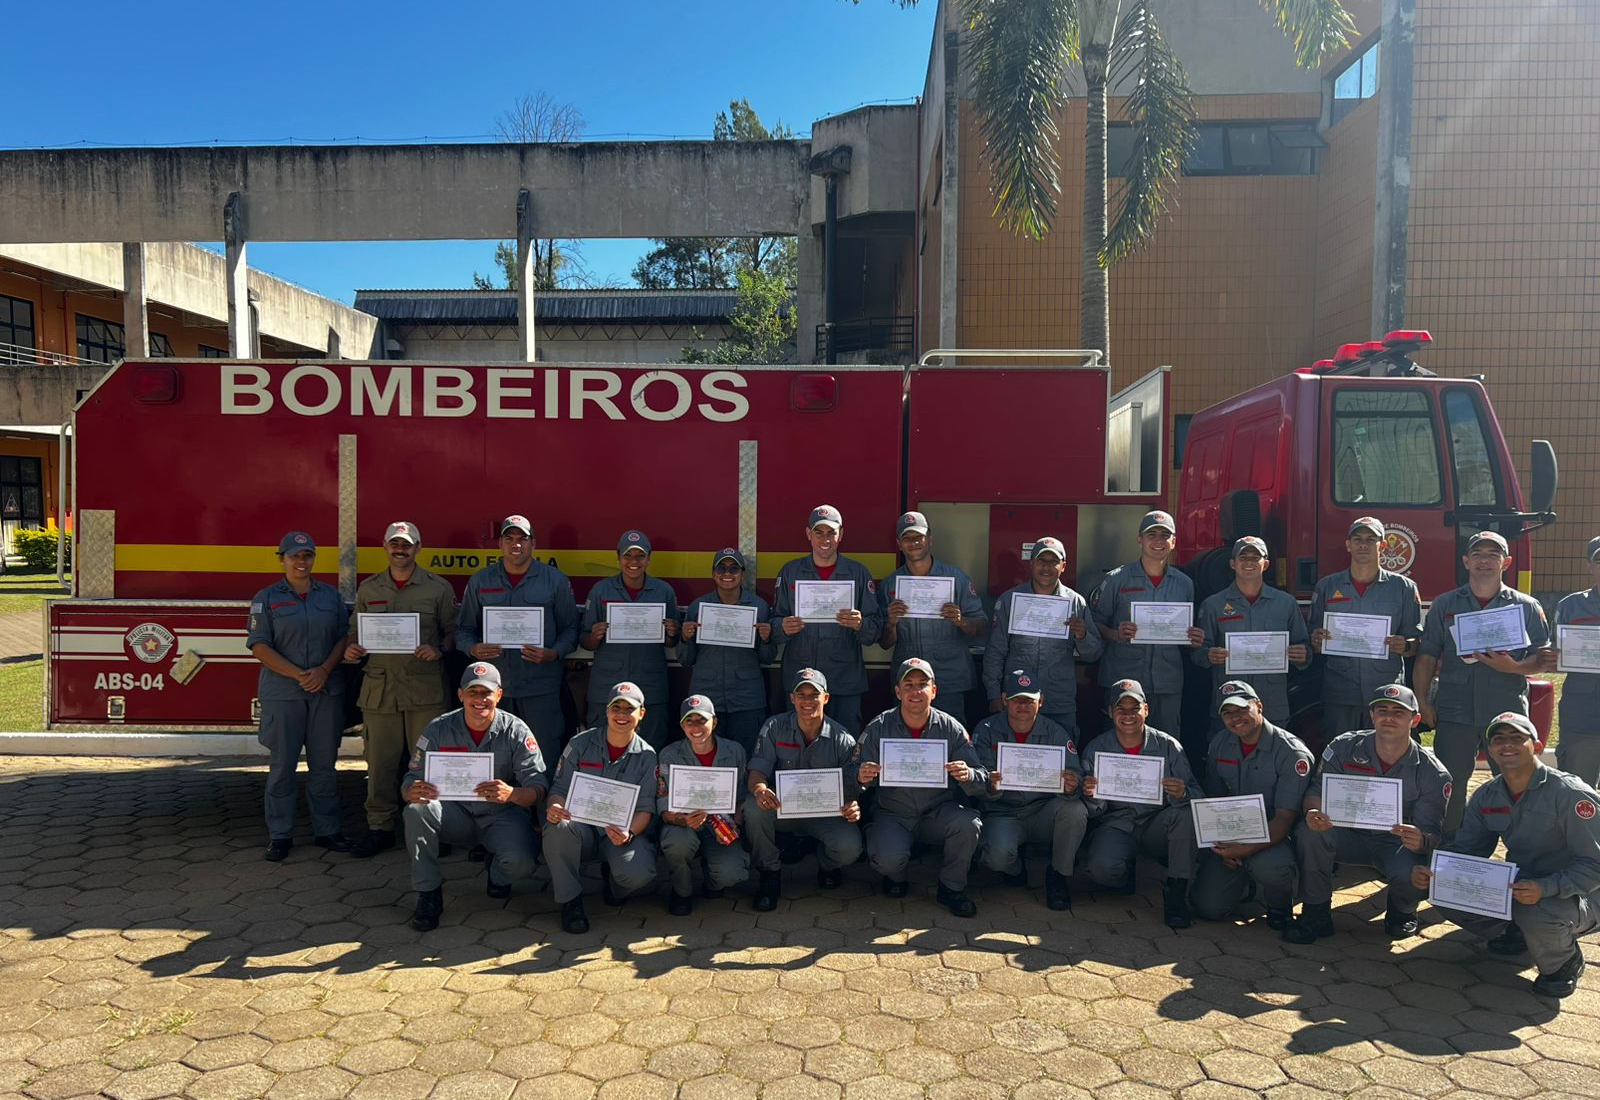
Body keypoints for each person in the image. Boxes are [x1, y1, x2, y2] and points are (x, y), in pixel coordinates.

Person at [1412, 712, 1600, 999]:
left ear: (1536, 747)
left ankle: (1563, 962)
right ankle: (1515, 932)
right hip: (1526, 884)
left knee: (1537, 911)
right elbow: (1467, 849)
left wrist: (1545, 888)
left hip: (1584, 893)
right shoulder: (1488, 795)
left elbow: (1595, 865)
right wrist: (1437, 872)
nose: (1506, 745)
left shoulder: (1570, 794)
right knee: (1446, 893)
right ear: (1489, 750)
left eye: (1517, 738)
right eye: (1498, 740)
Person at [1283, 684, 1448, 943]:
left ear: (1415, 720)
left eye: (1399, 712)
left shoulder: (1432, 773)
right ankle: (1316, 913)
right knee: (1309, 832)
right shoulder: (1344, 747)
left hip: (1394, 844)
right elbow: (1317, 789)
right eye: (1382, 710)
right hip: (1345, 834)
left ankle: (1401, 911)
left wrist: (1422, 839)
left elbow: (1434, 834)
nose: (1389, 717)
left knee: (1414, 873)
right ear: (1371, 715)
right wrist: (1313, 810)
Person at [1415, 530, 1551, 833]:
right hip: (1455, 709)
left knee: (1515, 781)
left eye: (1493, 555)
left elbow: (1542, 657)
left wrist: (1513, 666)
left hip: (1506, 709)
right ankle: (1449, 846)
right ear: (1466, 560)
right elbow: (1426, 655)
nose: (1484, 561)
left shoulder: (1526, 606)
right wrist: (1423, 701)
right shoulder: (1445, 604)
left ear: (1507, 562)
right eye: (1477, 554)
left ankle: (1522, 849)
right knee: (1451, 783)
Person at [399, 663, 547, 931]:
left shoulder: (516, 730)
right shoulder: (438, 728)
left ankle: (498, 874)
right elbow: (411, 777)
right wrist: (411, 791)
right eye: (473, 692)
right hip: (454, 814)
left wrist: (513, 793)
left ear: (499, 695)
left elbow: (538, 786)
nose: (480, 700)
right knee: (416, 810)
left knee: (521, 864)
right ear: (460, 694)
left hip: (500, 815)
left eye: (486, 693)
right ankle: (428, 892)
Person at [344, 521, 459, 858]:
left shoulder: (437, 588)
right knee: (380, 764)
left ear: (418, 548)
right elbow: (354, 630)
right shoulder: (369, 589)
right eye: (394, 544)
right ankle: (380, 827)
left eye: (407, 545)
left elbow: (453, 632)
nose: (400, 550)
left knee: (429, 763)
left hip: (424, 688)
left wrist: (440, 649)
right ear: (385, 547)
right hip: (380, 690)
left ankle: (435, 826)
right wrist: (353, 648)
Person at [246, 531, 351, 861]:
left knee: (324, 766)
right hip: (284, 694)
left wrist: (323, 670)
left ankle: (327, 831)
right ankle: (280, 835)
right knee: (282, 767)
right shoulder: (266, 599)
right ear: (282, 559)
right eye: (294, 555)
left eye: (307, 555)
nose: (301, 561)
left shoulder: (330, 597)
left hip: (325, 690)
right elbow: (259, 646)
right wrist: (299, 675)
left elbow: (343, 637)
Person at [856, 658, 986, 916]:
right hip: (893, 813)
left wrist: (967, 774)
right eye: (909, 685)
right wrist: (862, 776)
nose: (916, 692)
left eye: (923, 685)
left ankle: (951, 887)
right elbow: (853, 775)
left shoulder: (951, 728)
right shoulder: (878, 727)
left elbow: (981, 778)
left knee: (968, 824)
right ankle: (896, 875)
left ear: (934, 691)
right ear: (898, 692)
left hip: (938, 812)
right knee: (887, 858)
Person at [457, 514, 580, 768]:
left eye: (522, 539)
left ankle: (543, 809)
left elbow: (571, 629)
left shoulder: (554, 581)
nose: (516, 544)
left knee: (542, 757)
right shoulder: (481, 581)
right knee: (496, 759)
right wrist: (473, 648)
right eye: (509, 538)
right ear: (500, 544)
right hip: (493, 690)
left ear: (533, 544)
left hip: (541, 688)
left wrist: (554, 653)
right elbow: (462, 630)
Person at [1190, 681, 1314, 929]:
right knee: (1208, 908)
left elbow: (1283, 820)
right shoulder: (1220, 743)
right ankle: (1244, 882)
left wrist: (1242, 850)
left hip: (1275, 837)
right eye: (1227, 713)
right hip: (1233, 831)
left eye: (1241, 710)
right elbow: (1214, 802)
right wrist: (1224, 847)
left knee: (1272, 867)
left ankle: (1281, 903)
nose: (1235, 718)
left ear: (1259, 706)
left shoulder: (1292, 753)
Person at [1081, 679, 1199, 928]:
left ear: (1146, 710)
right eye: (1120, 709)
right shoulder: (1096, 749)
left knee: (1186, 815)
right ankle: (1124, 873)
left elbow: (1198, 796)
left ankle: (1176, 891)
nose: (1128, 715)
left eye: (1134, 708)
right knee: (1101, 870)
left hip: (1157, 822)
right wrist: (1092, 795)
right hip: (1117, 823)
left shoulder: (1168, 746)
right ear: (1110, 712)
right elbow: (1092, 811)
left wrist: (1183, 793)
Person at [544, 682, 660, 934]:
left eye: (629, 709)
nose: (621, 714)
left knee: (639, 873)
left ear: (641, 714)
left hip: (620, 834)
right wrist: (555, 807)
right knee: (558, 827)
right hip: (581, 829)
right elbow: (559, 790)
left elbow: (646, 809)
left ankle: (614, 885)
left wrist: (629, 833)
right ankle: (570, 901)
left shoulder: (648, 756)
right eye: (615, 707)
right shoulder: (579, 744)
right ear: (606, 711)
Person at [745, 669, 864, 912]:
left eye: (814, 695)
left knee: (850, 847)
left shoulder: (843, 738)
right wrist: (759, 789)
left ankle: (827, 865)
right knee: (752, 809)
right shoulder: (774, 726)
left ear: (826, 698)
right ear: (792, 698)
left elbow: (852, 785)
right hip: (782, 808)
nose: (807, 701)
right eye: (801, 695)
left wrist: (852, 804)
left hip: (824, 814)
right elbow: (757, 769)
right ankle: (769, 873)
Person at [973, 668, 1087, 911]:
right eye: (1016, 699)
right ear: (1005, 700)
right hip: (1002, 811)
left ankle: (1058, 875)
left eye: (1029, 700)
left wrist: (1071, 785)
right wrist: (989, 784)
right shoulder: (986, 729)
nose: (1023, 705)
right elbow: (975, 777)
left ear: (1041, 701)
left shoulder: (1056, 732)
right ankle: (1015, 869)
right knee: (997, 858)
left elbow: (1075, 772)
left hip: (1043, 810)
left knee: (1075, 810)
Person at [1092, 511, 1205, 736]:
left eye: (1165, 535)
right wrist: (1115, 634)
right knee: (1118, 743)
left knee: (1166, 742)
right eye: (1151, 534)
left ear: (1173, 542)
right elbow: (1094, 623)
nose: (1158, 540)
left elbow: (1184, 632)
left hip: (1167, 680)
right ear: (1139, 539)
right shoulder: (1117, 579)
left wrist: (1193, 638)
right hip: (1124, 679)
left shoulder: (1184, 584)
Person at [1308, 517, 1422, 739]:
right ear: (1348, 544)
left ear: (1383, 545)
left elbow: (1415, 642)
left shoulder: (1404, 588)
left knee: (1386, 753)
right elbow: (1312, 637)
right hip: (1340, 692)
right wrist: (1317, 641)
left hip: (1386, 694)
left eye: (1371, 539)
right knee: (1341, 754)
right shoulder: (1327, 586)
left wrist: (1405, 645)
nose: (1363, 544)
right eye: (1357, 539)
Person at [773, 505, 883, 734]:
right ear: (808, 534)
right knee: (797, 747)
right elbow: (771, 625)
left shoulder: (859, 574)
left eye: (831, 533)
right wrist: (782, 627)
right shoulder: (790, 572)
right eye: (819, 532)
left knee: (845, 747)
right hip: (801, 682)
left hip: (844, 681)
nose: (825, 539)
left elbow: (875, 631)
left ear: (840, 535)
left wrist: (861, 624)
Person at [983, 536, 1103, 742]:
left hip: (1058, 702)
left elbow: (1094, 654)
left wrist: (1082, 635)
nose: (1046, 567)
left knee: (1062, 762)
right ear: (1031, 564)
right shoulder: (1010, 600)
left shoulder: (1076, 603)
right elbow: (995, 652)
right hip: (1017, 699)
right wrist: (994, 694)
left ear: (1063, 566)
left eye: (1053, 561)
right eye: (1041, 561)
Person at [879, 511, 987, 721]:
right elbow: (884, 643)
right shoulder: (891, 584)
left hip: (949, 678)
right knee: (909, 741)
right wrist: (891, 624)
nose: (914, 543)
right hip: (908, 682)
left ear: (930, 539)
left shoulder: (956, 578)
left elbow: (982, 626)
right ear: (899, 544)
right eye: (907, 538)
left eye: (919, 537)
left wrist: (961, 621)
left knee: (951, 742)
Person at [1194, 536, 1312, 728]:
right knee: (1227, 757)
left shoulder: (1286, 603)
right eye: (1243, 558)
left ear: (1265, 564)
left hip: (1272, 705)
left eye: (1255, 558)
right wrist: (1209, 655)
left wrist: (1302, 654)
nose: (1249, 562)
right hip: (1229, 705)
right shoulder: (1213, 605)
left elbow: (1304, 646)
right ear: (1233, 563)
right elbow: (1197, 654)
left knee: (1274, 757)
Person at [580, 530, 683, 750]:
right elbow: (584, 641)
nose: (633, 562)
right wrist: (594, 636)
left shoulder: (663, 592)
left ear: (649, 558)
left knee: (651, 748)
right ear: (618, 558)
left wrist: (673, 632)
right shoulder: (601, 591)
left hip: (650, 686)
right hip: (606, 686)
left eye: (640, 556)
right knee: (599, 749)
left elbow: (671, 643)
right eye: (628, 556)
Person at [656, 696, 751, 915]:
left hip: (720, 824)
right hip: (683, 824)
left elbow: (742, 795)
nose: (696, 727)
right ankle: (682, 891)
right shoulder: (669, 755)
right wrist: (681, 819)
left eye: (702, 720)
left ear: (714, 722)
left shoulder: (734, 751)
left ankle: (712, 882)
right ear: (682, 725)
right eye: (690, 721)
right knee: (677, 843)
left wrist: (734, 826)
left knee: (731, 873)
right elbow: (663, 802)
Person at [679, 548, 776, 755]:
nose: (727, 573)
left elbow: (767, 658)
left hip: (747, 699)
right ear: (713, 574)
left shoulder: (759, 607)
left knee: (748, 758)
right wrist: (685, 638)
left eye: (734, 568)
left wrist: (767, 639)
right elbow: (685, 660)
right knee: (709, 760)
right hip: (707, 697)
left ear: (743, 574)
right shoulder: (699, 607)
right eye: (721, 568)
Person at [1541, 536, 1600, 786]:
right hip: (1581, 713)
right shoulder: (1571, 606)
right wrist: (1551, 658)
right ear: (1589, 565)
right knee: (1578, 789)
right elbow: (1553, 652)